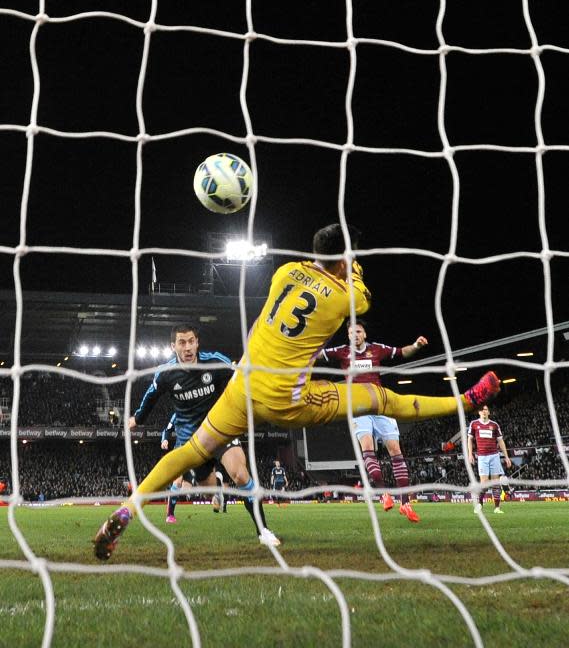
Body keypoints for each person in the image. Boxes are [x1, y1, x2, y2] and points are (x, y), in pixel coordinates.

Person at [94, 223, 501, 560]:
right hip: (287, 398)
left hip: (243, 384)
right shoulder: (346, 296)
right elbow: (361, 295)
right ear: (345, 258)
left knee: (188, 454)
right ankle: (467, 400)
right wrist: (352, 266)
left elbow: (267, 315)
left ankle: (126, 511)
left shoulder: (285, 272)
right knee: (382, 398)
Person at [127, 324, 280, 545]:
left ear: (197, 343)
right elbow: (151, 396)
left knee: (240, 474)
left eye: (191, 341)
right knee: (209, 492)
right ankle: (217, 488)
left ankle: (263, 530)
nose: (187, 347)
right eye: (182, 342)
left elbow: (240, 376)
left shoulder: (214, 361)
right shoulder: (166, 374)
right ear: (173, 346)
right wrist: (137, 419)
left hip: (220, 429)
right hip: (192, 441)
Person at [321, 320, 428, 522]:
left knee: (396, 451)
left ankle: (405, 504)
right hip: (358, 408)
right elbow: (319, 355)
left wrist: (416, 345)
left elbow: (401, 352)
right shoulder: (342, 352)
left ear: (364, 334)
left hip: (381, 404)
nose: (355, 335)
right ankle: (384, 494)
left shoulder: (377, 349)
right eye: (351, 333)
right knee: (368, 448)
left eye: (358, 331)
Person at [468, 403, 511, 514]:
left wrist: (506, 457)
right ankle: (479, 504)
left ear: (489, 412)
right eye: (482, 410)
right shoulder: (474, 424)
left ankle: (497, 508)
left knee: (496, 483)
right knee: (484, 483)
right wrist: (470, 454)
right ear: (479, 412)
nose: (484, 411)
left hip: (494, 456)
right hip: (482, 457)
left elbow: (500, 441)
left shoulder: (494, 425)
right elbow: (470, 440)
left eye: (486, 409)